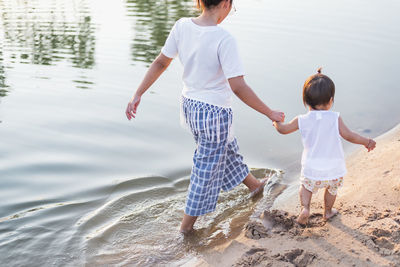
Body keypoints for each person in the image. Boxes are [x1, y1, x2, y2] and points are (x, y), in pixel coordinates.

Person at [125, 0, 285, 234]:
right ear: (225, 3)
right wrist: (269, 112)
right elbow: (238, 86)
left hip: (191, 108)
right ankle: (185, 230)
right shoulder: (224, 39)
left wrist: (138, 93)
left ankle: (254, 186)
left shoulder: (181, 26)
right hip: (214, 113)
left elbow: (161, 62)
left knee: (227, 148)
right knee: (204, 170)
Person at [273, 68, 376, 225]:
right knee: (331, 190)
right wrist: (366, 141)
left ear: (305, 101)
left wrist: (275, 121)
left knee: (306, 188)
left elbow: (284, 130)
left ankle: (305, 209)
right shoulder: (335, 118)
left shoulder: (302, 119)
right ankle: (327, 212)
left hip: (311, 168)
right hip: (334, 168)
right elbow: (350, 135)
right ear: (331, 100)